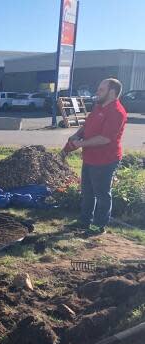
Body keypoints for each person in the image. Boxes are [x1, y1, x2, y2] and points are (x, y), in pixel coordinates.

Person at [65, 78, 127, 235]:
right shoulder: (99, 107)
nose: (97, 92)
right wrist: (76, 135)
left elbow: (105, 139)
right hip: (90, 157)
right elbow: (87, 126)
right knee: (87, 193)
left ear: (112, 92)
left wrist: (80, 144)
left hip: (106, 160)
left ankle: (98, 226)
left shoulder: (117, 112)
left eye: (101, 90)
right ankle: (84, 221)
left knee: (102, 194)